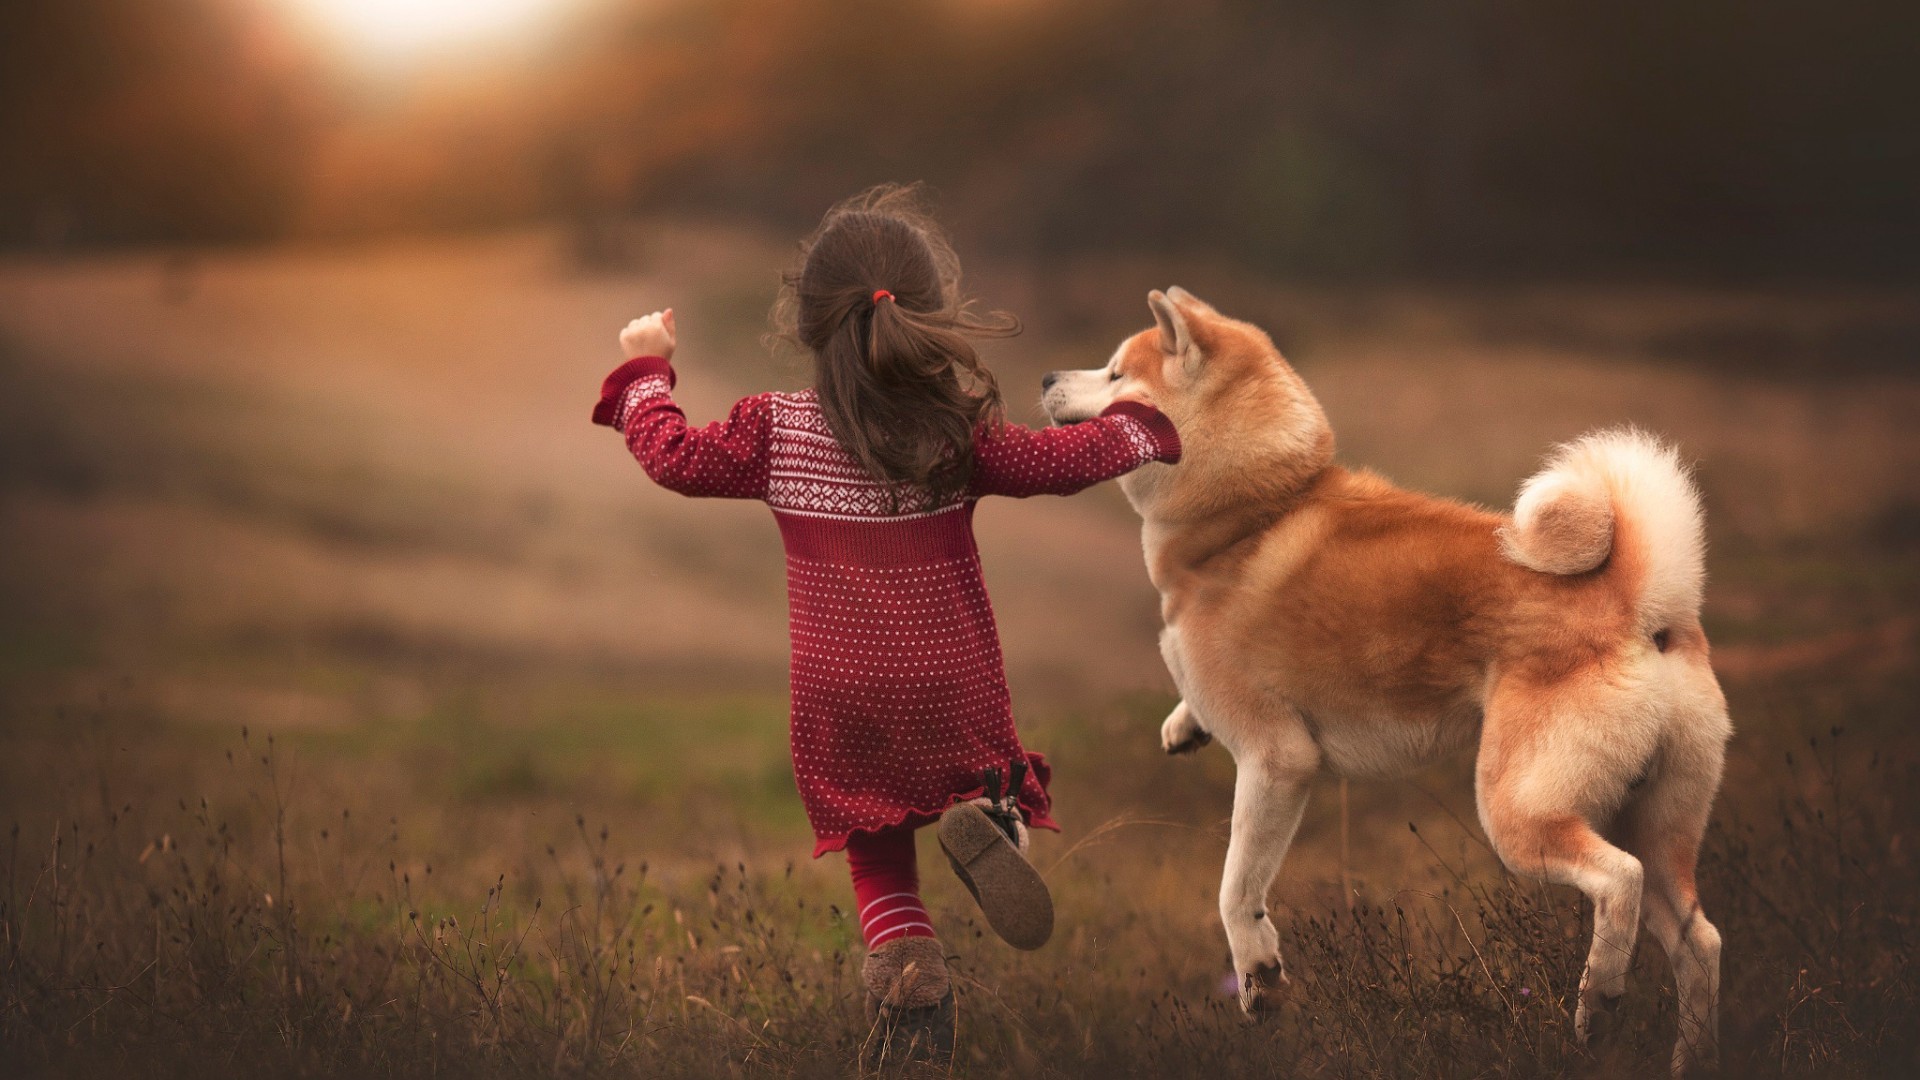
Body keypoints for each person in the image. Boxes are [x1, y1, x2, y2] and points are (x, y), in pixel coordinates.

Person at [591, 185, 1180, 1062]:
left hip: (840, 700)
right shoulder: (954, 434)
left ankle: (912, 982)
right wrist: (1142, 423)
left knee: (879, 858)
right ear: (927, 317)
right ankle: (989, 816)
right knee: (978, 780)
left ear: (810, 324)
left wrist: (647, 370)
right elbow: (1062, 461)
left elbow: (672, 458)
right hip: (950, 683)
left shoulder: (775, 429)